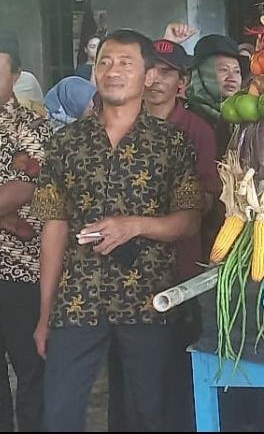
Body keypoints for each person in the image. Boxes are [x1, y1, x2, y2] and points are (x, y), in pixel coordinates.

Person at [30, 29, 204, 432]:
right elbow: (53, 229)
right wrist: (44, 314)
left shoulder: (172, 143)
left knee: (149, 413)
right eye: (105, 62)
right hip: (77, 299)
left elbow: (189, 220)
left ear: (148, 77)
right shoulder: (65, 144)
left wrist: (135, 226)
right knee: (59, 413)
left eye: (126, 63)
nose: (113, 70)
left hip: (149, 300)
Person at [143, 38, 219, 431]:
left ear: (182, 82)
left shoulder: (197, 130)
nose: (154, 80)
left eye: (166, 72)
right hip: (124, 275)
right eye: (149, 69)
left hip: (180, 266)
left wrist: (158, 212)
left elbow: (207, 198)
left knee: (177, 369)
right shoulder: (116, 123)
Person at [0, 37, 49, 433]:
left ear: (15, 76)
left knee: (31, 372)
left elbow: (22, 187)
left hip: (20, 272)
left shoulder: (30, 125)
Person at [187, 34, 245, 153]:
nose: (232, 78)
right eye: (223, 70)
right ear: (203, 73)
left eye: (237, 71)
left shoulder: (245, 119)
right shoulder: (186, 119)